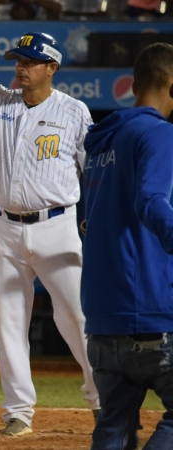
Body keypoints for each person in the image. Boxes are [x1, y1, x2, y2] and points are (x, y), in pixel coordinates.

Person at [0, 0, 100, 436]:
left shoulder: (74, 112)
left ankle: (102, 400)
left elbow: (94, 173)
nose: (21, 67)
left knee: (78, 318)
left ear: (51, 68)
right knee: (9, 319)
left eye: (31, 61)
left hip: (57, 225)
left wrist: (94, 220)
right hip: (5, 225)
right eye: (18, 60)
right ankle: (18, 413)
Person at [81, 42, 173, 450]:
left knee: (114, 429)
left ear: (134, 85)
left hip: (103, 318)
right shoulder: (158, 133)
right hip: (152, 315)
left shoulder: (101, 143)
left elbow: (88, 221)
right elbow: (152, 202)